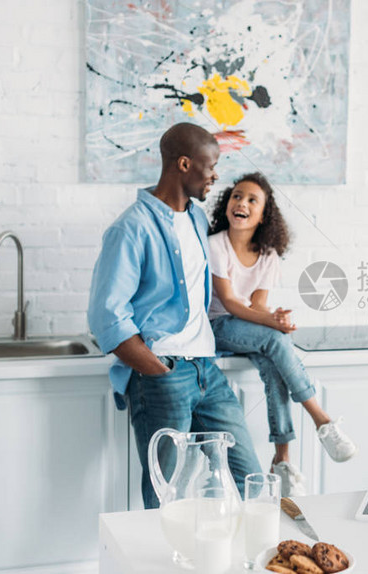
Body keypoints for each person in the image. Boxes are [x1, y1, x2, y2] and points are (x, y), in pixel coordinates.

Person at [88, 123, 261, 508]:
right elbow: (106, 316)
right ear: (184, 164)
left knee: (249, 478)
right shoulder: (130, 228)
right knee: (167, 498)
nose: (216, 175)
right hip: (163, 376)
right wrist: (155, 368)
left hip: (207, 371)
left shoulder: (197, 219)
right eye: (210, 166)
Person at [207, 172, 357, 497]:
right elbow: (231, 303)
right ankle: (321, 419)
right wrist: (273, 325)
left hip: (245, 330)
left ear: (263, 215)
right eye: (236, 196)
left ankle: (282, 459)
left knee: (272, 364)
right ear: (226, 204)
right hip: (215, 326)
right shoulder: (216, 245)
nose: (241, 203)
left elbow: (258, 304)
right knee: (275, 340)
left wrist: (276, 317)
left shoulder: (267, 254)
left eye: (251, 200)